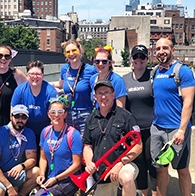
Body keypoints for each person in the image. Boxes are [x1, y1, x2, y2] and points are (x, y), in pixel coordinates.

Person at [150, 38, 195, 196]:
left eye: (165, 48)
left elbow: (188, 102)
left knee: (182, 170)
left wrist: (182, 130)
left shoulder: (183, 71)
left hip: (177, 129)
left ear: (173, 50)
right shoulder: (155, 71)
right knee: (161, 169)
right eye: (158, 48)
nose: (161, 51)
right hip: (157, 128)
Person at [83, 79, 142, 196]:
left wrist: (120, 163)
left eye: (106, 93)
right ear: (95, 96)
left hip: (123, 166)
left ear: (113, 95)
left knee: (127, 178)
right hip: (102, 174)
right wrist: (89, 163)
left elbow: (138, 146)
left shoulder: (126, 116)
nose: (103, 97)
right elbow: (87, 146)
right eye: (100, 93)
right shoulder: (90, 119)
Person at [0, 104, 39, 196]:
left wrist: (22, 166)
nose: (20, 120)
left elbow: (32, 159)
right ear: (11, 116)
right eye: (17, 116)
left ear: (27, 119)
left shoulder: (29, 133)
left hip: (13, 173)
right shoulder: (0, 134)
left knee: (36, 172)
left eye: (23, 117)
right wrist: (9, 187)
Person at [123, 44, 157, 196]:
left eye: (142, 56)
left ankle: (156, 192)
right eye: (135, 56)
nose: (138, 59)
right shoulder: (125, 79)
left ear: (146, 59)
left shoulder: (153, 76)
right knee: (139, 163)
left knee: (153, 162)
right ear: (131, 59)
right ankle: (143, 193)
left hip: (152, 128)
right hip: (133, 131)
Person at [35, 96, 83, 196]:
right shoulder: (45, 132)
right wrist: (42, 174)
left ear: (65, 114)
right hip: (51, 179)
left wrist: (56, 178)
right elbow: (43, 158)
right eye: (53, 112)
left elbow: (77, 164)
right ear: (48, 114)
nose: (56, 115)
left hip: (68, 180)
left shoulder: (73, 134)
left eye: (60, 112)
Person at [51, 39, 97, 134]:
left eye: (74, 50)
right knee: (69, 141)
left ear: (80, 51)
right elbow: (60, 85)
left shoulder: (91, 70)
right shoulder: (64, 69)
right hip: (68, 113)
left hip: (85, 114)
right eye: (68, 52)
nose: (71, 54)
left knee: (84, 143)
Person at [11, 60, 57, 150]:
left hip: (45, 131)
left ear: (43, 76)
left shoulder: (51, 92)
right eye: (31, 74)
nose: (35, 77)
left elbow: (55, 116)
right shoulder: (20, 90)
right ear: (27, 75)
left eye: (38, 74)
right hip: (25, 130)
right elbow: (12, 114)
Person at [0, 45, 27, 127]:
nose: (3, 58)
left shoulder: (17, 74)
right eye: (0, 55)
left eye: (7, 56)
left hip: (6, 122)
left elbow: (31, 86)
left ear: (11, 58)